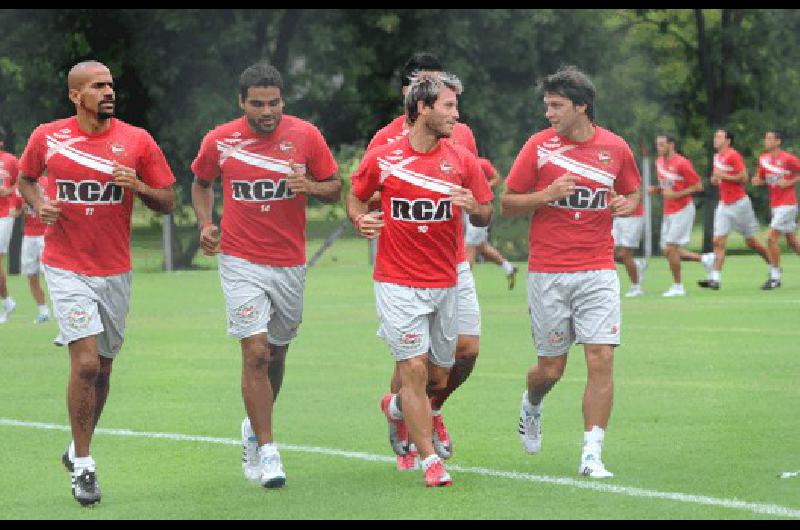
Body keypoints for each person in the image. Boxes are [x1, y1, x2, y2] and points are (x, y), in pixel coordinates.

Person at [17, 60, 176, 506]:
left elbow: (167, 200)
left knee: (103, 368)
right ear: (76, 96)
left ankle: (74, 447)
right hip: (65, 265)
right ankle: (85, 467)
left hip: (115, 271)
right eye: (98, 86)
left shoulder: (137, 140)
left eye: (110, 85)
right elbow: (26, 180)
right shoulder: (47, 136)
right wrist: (39, 203)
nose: (108, 92)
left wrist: (139, 186)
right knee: (85, 364)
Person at [191, 62, 341, 490]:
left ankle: (253, 426)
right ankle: (268, 447)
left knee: (276, 355)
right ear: (242, 103)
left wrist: (309, 187)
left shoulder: (305, 136)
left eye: (273, 103)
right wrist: (205, 224)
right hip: (240, 260)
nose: (267, 111)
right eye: (257, 104)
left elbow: (335, 185)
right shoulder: (220, 140)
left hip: (289, 262)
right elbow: (201, 184)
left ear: (283, 101)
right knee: (255, 352)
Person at [348, 71, 493, 487]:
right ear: (423, 108)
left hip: (445, 281)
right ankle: (429, 460)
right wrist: (361, 218)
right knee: (412, 365)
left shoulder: (462, 159)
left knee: (438, 377)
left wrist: (474, 207)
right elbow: (356, 194)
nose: (456, 114)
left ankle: (395, 409)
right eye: (448, 106)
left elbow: (486, 211)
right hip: (396, 281)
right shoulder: (384, 156)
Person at [501, 65, 641, 478]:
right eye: (547, 105)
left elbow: (632, 190)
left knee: (600, 359)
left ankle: (592, 454)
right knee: (551, 370)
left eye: (557, 106)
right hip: (549, 272)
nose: (549, 114)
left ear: (582, 107)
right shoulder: (539, 147)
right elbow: (506, 202)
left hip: (598, 268)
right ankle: (532, 403)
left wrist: (627, 204)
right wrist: (547, 194)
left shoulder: (615, 148)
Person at [698, 128, 772, 290]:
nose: (715, 138)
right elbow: (719, 177)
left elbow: (743, 177)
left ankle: (773, 268)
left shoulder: (733, 155)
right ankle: (715, 279)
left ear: (728, 140)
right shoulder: (717, 157)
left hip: (739, 204)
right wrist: (716, 179)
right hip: (724, 204)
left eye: (719, 136)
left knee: (751, 242)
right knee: (717, 241)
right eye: (715, 135)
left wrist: (723, 177)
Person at [649, 134, 707, 297]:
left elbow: (698, 186)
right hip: (668, 211)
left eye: (662, 144)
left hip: (683, 209)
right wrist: (657, 189)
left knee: (670, 248)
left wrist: (678, 194)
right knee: (668, 251)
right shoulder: (659, 162)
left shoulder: (682, 163)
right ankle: (705, 260)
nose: (658, 148)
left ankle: (678, 286)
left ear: (671, 145)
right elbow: (667, 186)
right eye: (657, 145)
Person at [751, 130, 800, 290]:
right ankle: (775, 276)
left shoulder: (788, 158)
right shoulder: (763, 159)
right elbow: (763, 178)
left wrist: (790, 182)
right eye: (765, 138)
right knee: (792, 242)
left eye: (770, 138)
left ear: (778, 142)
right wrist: (758, 181)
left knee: (771, 238)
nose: (766, 141)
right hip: (776, 204)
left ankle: (775, 277)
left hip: (788, 204)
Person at [465, 157, 519, 289]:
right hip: (465, 210)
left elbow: (496, 178)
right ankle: (509, 268)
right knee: (482, 248)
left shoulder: (481, 163)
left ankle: (464, 285)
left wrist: (481, 187)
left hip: (480, 210)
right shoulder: (455, 162)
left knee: (469, 246)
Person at [15, 177, 52, 322]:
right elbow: (17, 208)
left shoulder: (48, 182)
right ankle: (43, 311)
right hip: (29, 236)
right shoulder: (22, 184)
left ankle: (62, 309)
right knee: (31, 275)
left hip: (46, 235)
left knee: (50, 275)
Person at [0, 126, 19, 323]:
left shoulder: (11, 160)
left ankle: (5, 305)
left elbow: (22, 181)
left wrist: (10, 195)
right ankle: (6, 302)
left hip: (4, 215)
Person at [612, 191, 647, 297]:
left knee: (624, 254)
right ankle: (636, 264)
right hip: (617, 216)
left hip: (632, 217)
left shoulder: (630, 176)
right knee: (612, 253)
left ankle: (636, 287)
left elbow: (637, 193)